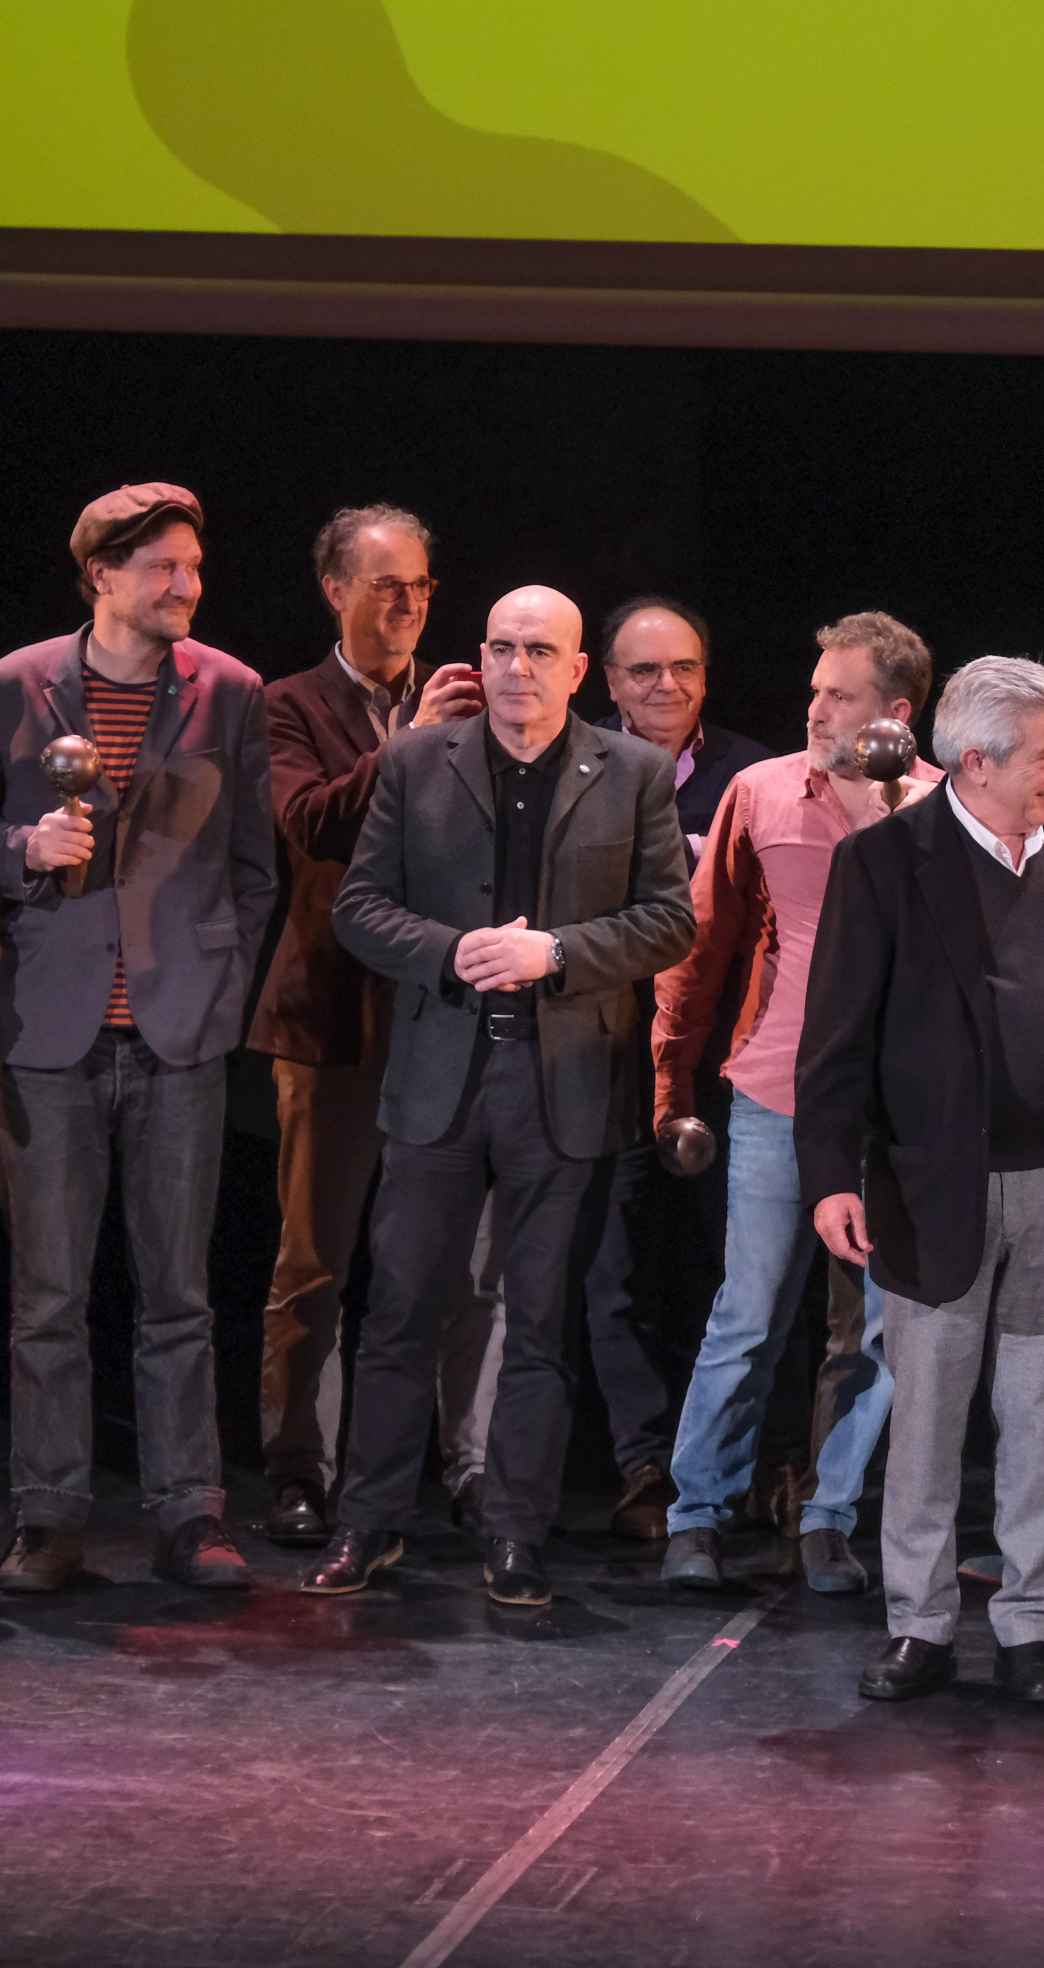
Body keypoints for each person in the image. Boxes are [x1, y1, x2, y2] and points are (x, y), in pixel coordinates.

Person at [305, 585, 695, 1611]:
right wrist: (453, 952)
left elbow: (669, 920)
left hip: (565, 1086)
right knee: (400, 1309)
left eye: (541, 651)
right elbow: (359, 907)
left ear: (578, 671)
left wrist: (553, 952)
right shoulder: (413, 760)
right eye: (502, 648)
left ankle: (516, 1533)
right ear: (480, 657)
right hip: (441, 1078)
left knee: (540, 1323)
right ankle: (368, 1522)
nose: (518, 668)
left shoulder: (635, 772)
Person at [0, 483, 278, 1593]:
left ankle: (192, 1511)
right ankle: (49, 1514)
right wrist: (22, 849)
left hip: (178, 1028)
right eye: (162, 567)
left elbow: (253, 862)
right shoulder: (7, 688)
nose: (185, 585)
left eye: (193, 566)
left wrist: (221, 981)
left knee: (179, 1290)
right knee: (49, 1294)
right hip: (47, 1025)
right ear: (101, 575)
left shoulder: (230, 690)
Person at [798, 657, 1044, 1704]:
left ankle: (1031, 1627)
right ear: (975, 762)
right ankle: (922, 1623)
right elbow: (835, 1035)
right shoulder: (886, 861)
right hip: (931, 1178)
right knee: (931, 1413)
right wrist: (830, 1174)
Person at [652, 612, 934, 1593]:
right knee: (749, 1312)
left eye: (839, 696)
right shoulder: (761, 790)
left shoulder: (942, 808)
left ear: (896, 713)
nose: (815, 709)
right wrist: (670, 1079)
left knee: (878, 1326)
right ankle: (697, 1513)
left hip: (897, 1109)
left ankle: (827, 1516)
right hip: (778, 1089)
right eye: (815, 691)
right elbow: (701, 946)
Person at [249, 505, 493, 1551]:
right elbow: (311, 824)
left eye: (422, 584)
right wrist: (412, 743)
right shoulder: (289, 704)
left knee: (462, 1266)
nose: (408, 602)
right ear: (336, 590)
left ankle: (470, 1466)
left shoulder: (467, 695)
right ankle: (299, 1467)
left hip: (446, 1018)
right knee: (317, 1258)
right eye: (387, 583)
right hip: (332, 1016)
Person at [582, 595, 771, 1539]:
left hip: (726, 1059)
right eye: (645, 670)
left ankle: (734, 1463)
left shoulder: (754, 776)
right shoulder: (571, 765)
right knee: (613, 1268)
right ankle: (644, 1466)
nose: (667, 685)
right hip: (605, 1050)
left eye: (684, 667)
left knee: (730, 1267)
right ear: (608, 681)